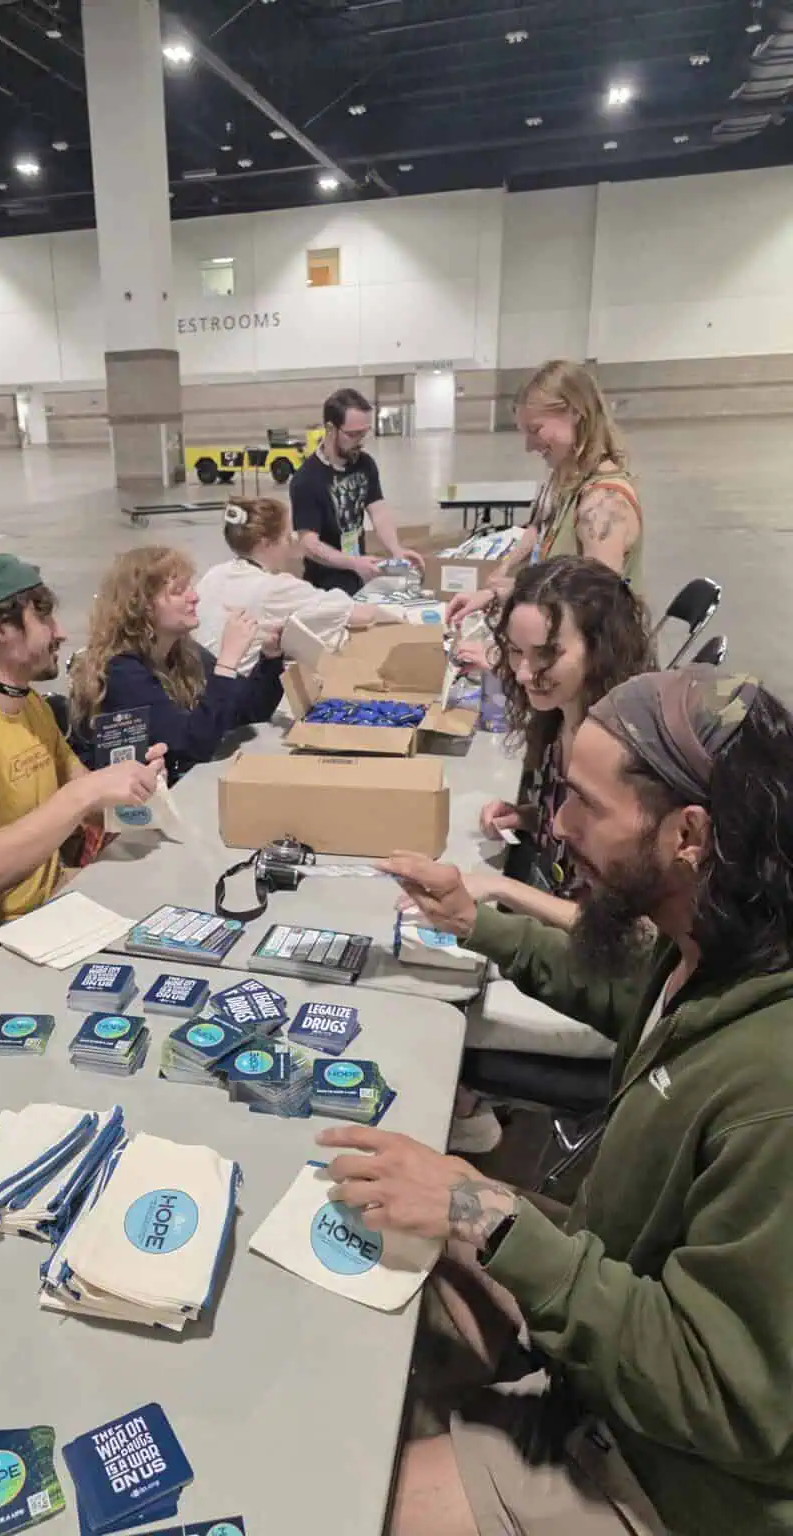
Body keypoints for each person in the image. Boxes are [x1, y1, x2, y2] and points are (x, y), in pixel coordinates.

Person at [323, 667, 793, 1535]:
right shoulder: (722, 939)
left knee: (352, 1509)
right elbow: (631, 993)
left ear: (688, 833)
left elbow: (725, 1396)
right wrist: (476, 922)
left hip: (682, 1477)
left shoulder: (776, 1096)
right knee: (392, 1213)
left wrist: (490, 1215)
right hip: (615, 1313)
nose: (558, 826)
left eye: (585, 804)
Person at [445, 556, 655, 1157]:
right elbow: (577, 836)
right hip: (566, 940)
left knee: (442, 1005)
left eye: (547, 656)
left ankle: (467, 1114)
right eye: (514, 653)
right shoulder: (564, 718)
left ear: (600, 648)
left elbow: (635, 934)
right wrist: (531, 816)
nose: (525, 673)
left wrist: (504, 890)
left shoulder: (626, 758)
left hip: (609, 986)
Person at [0, 554, 165, 1002]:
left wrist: (133, 783)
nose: (59, 632)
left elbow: (95, 812)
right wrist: (85, 793)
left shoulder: (30, 707)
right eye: (42, 615)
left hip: (43, 915)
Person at [447, 360, 644, 634]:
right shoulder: (567, 480)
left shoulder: (603, 504)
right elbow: (547, 550)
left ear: (575, 413)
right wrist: (503, 588)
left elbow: (593, 612)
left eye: (536, 430)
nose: (529, 446)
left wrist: (513, 601)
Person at [69, 545, 284, 783]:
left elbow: (250, 711)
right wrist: (227, 662)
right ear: (142, 605)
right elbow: (190, 744)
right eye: (179, 591)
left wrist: (270, 658)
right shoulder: (120, 671)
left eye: (190, 587)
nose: (194, 597)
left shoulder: (185, 654)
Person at [195, 496, 407, 672]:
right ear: (266, 544)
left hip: (206, 683)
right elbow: (354, 614)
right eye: (287, 538)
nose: (291, 544)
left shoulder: (214, 574)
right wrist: (407, 619)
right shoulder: (275, 588)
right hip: (239, 693)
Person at [290, 386, 424, 596]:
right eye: (353, 434)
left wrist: (396, 550)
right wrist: (353, 562)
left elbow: (378, 510)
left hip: (358, 575)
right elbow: (309, 544)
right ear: (331, 429)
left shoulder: (364, 464)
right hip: (326, 587)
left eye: (364, 433)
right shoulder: (306, 480)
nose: (360, 441)